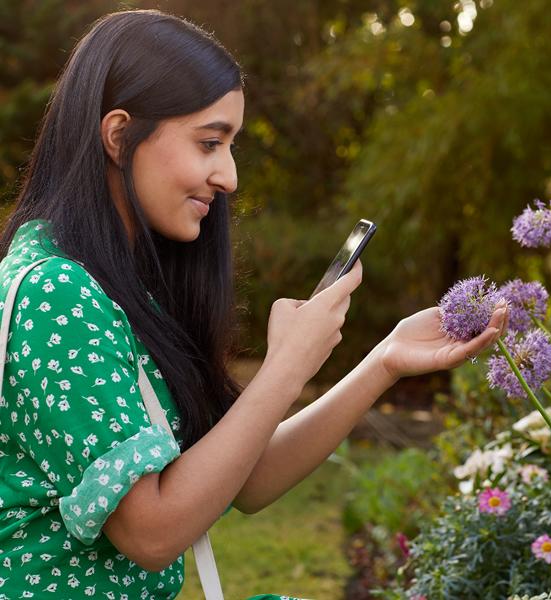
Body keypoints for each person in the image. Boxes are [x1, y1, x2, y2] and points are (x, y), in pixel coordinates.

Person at [0, 9, 507, 599]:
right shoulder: (54, 293)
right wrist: (288, 366)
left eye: (231, 145)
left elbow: (245, 480)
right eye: (210, 142)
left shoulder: (117, 284)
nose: (230, 176)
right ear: (119, 136)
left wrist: (385, 360)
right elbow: (153, 533)